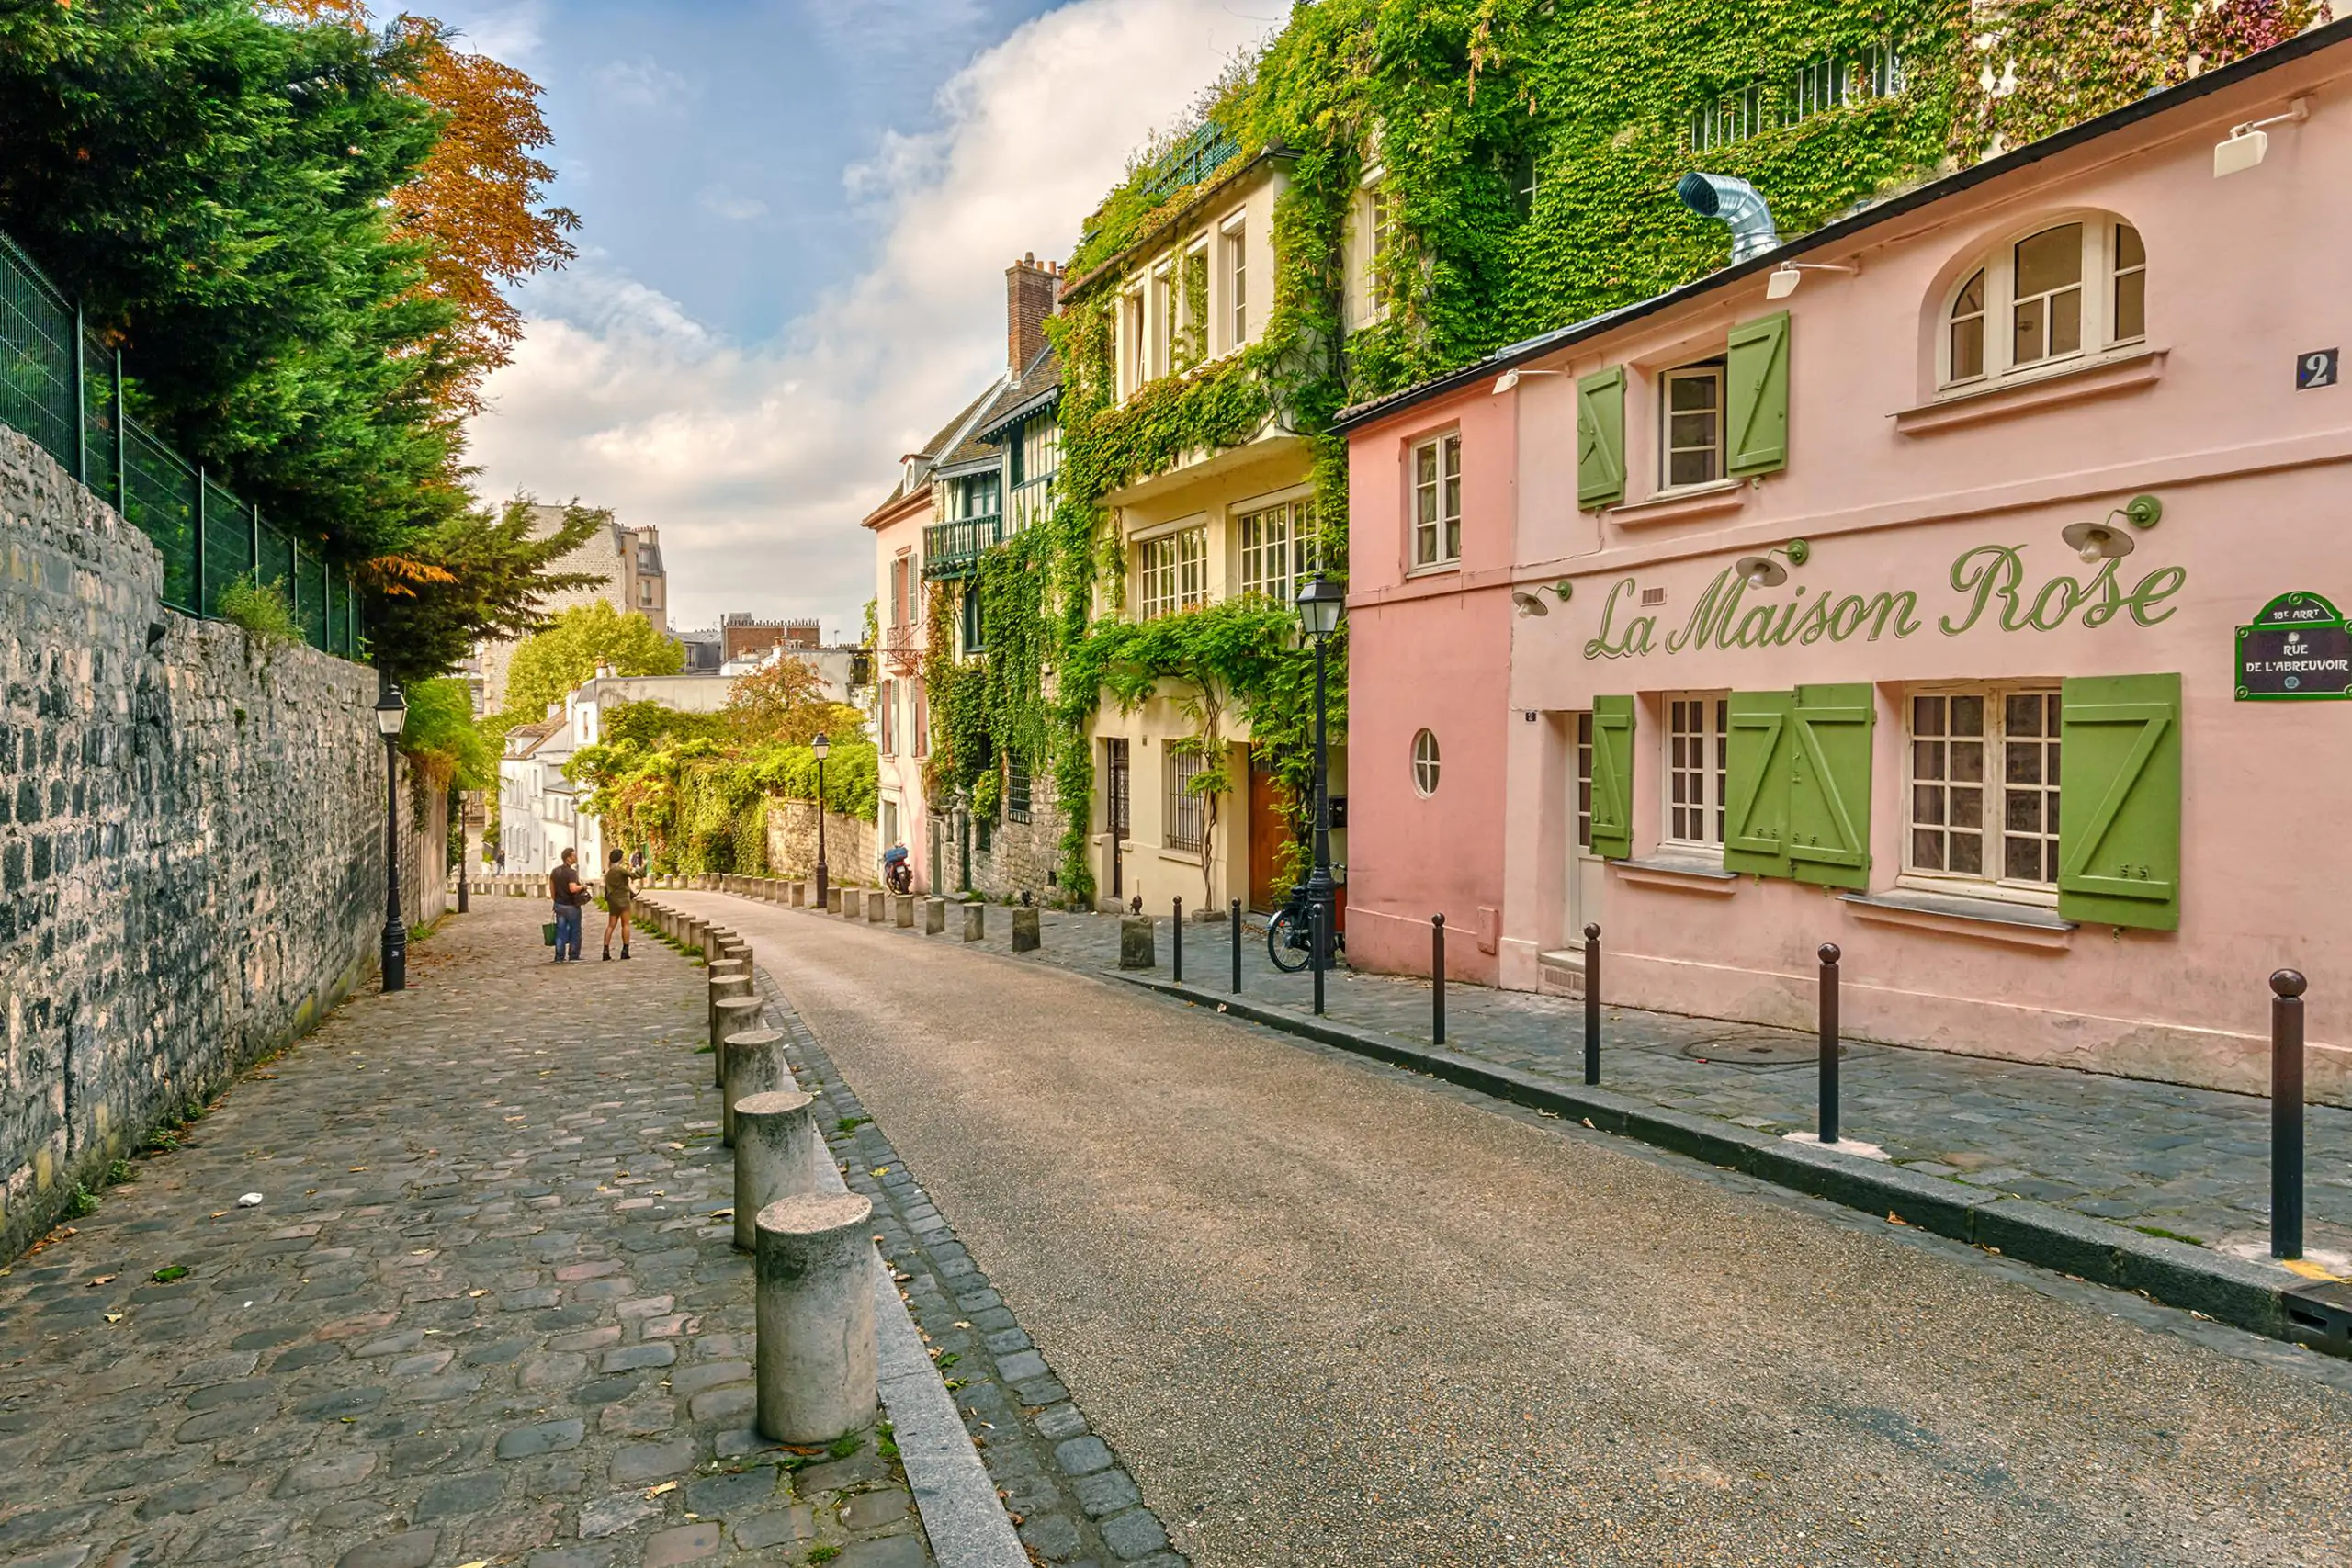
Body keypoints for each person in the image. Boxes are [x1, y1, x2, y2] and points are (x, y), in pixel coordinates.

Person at [548, 847, 587, 963]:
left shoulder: (555, 871)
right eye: (574, 855)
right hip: (571, 905)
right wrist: (583, 887)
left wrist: (556, 901)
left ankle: (559, 956)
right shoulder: (571, 873)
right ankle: (574, 955)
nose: (576, 857)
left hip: (559, 904)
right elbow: (572, 888)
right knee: (575, 930)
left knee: (560, 931)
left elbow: (552, 889)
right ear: (568, 858)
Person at [602, 848, 634, 961]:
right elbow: (634, 875)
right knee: (625, 925)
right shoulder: (620, 870)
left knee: (611, 925)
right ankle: (625, 950)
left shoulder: (609, 872)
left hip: (613, 901)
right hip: (623, 901)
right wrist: (644, 866)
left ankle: (605, 951)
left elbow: (607, 888)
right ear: (620, 858)